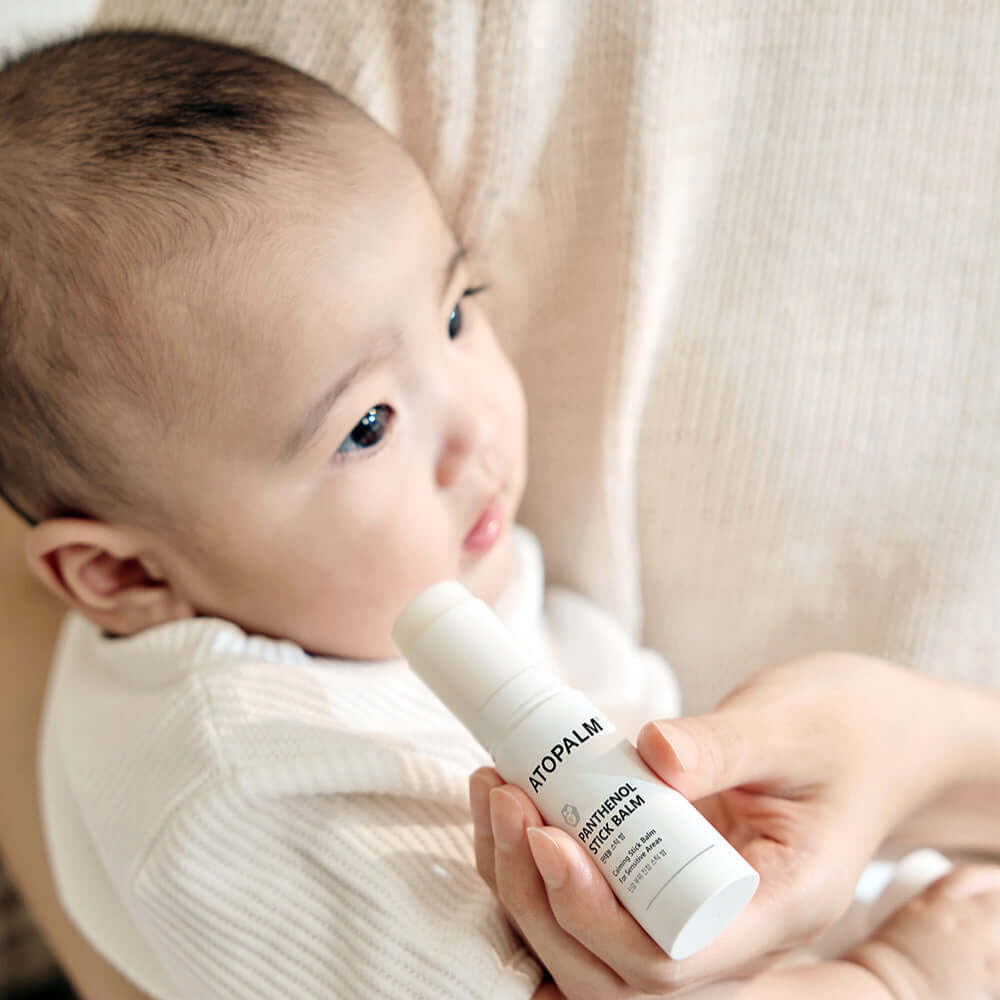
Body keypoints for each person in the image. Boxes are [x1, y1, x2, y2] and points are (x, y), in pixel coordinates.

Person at [2, 4, 999, 1000]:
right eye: (366, 427)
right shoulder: (244, 793)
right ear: (126, 573)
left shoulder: (386, 581)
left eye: (453, 312)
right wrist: (898, 975)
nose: (478, 425)